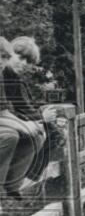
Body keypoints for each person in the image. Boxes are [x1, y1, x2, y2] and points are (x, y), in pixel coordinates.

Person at [0, 37, 54, 199]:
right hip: (7, 124)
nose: (24, 64)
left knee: (44, 134)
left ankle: (16, 184)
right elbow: (7, 112)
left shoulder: (13, 78)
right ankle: (7, 188)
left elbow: (22, 107)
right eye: (20, 57)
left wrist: (37, 121)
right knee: (13, 136)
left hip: (7, 121)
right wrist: (35, 122)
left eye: (28, 62)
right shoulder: (4, 74)